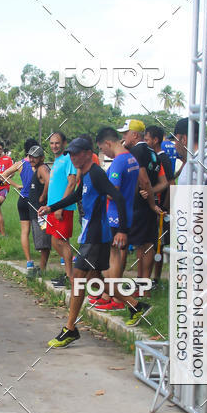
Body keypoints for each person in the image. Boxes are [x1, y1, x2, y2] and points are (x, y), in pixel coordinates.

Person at [38, 136, 128, 347]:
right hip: (90, 234)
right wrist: (52, 207)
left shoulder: (96, 173)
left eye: (77, 153)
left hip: (97, 236)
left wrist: (122, 230)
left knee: (78, 279)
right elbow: (76, 196)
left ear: (88, 153)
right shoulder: (86, 175)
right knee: (96, 280)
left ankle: (70, 328)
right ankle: (134, 304)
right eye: (71, 154)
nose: (74, 157)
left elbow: (119, 197)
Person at [119, 119, 165, 327]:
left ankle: (142, 289)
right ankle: (142, 285)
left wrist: (150, 202)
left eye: (126, 133)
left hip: (139, 206)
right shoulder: (153, 153)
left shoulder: (138, 152)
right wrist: (153, 199)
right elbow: (161, 181)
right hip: (146, 206)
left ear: (135, 135)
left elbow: (144, 179)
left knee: (144, 247)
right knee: (144, 246)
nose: (123, 137)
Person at [91, 127, 139, 311]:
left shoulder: (119, 162)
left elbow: (113, 192)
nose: (103, 152)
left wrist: (101, 191)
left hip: (114, 216)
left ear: (108, 143)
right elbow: (134, 189)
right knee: (116, 255)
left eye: (102, 149)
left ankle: (115, 296)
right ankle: (110, 294)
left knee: (112, 256)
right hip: (126, 211)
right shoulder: (132, 159)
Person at [0, 138, 39, 276]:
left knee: (25, 231)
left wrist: (16, 185)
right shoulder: (39, 164)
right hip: (36, 201)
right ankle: (57, 257)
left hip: (22, 200)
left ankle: (29, 261)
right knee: (45, 229)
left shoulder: (20, 163)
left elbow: (3, 175)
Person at [145, 124, 175, 286]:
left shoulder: (162, 158)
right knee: (154, 242)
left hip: (161, 209)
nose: (145, 142)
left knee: (159, 244)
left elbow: (171, 183)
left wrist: (166, 206)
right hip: (154, 207)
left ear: (155, 140)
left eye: (147, 139)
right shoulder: (152, 157)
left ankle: (156, 278)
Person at [46, 131, 77, 287]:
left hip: (62, 209)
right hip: (52, 209)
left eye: (57, 143)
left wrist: (61, 206)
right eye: (52, 143)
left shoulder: (68, 160)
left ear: (64, 143)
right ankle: (70, 271)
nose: (54, 146)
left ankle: (71, 276)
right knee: (54, 241)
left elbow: (72, 183)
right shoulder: (57, 161)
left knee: (63, 242)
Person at [26, 145, 52, 273]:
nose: (31, 159)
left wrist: (42, 196)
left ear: (41, 158)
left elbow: (49, 180)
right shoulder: (38, 169)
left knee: (44, 242)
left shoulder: (42, 168)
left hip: (41, 213)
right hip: (36, 212)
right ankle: (42, 268)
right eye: (30, 156)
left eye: (35, 157)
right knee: (42, 241)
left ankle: (42, 269)